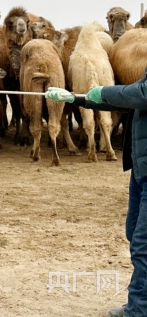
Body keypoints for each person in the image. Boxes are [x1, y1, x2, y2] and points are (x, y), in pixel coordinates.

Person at [47, 79, 147, 317]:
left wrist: (104, 91)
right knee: (135, 233)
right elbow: (132, 101)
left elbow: (142, 94)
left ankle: (139, 310)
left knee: (144, 244)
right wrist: (79, 99)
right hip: (141, 167)